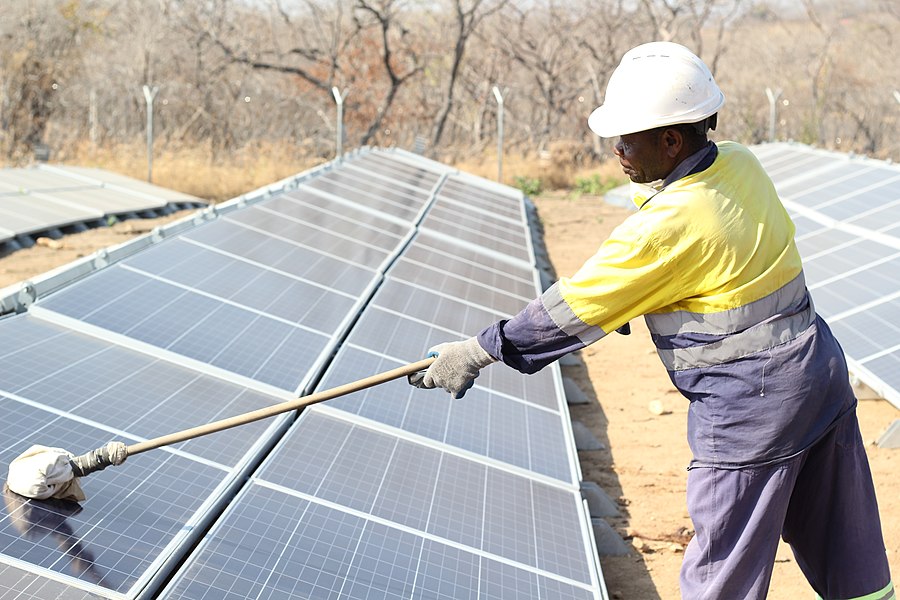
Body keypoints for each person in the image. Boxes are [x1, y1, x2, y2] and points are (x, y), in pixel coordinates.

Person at [410, 41, 894, 600]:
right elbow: (717, 268)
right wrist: (643, 297)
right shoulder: (739, 162)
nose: (617, 149)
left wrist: (474, 352)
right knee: (846, 548)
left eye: (629, 137)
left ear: (671, 139)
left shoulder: (668, 225)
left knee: (725, 569)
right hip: (820, 376)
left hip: (752, 409)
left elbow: (570, 309)